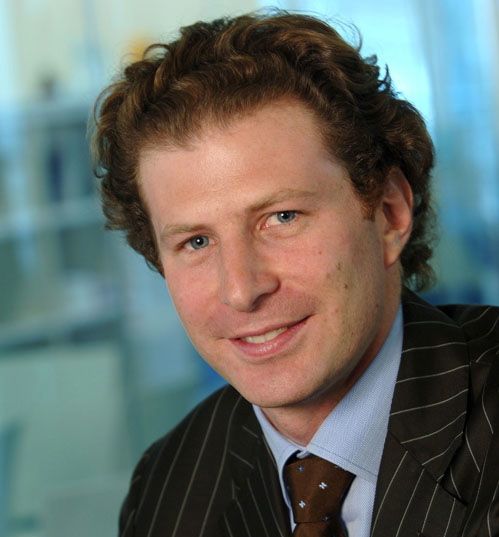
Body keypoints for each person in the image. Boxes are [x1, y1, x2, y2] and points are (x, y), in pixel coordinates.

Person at [92, 10, 499, 537]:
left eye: (282, 217)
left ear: (390, 213)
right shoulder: (166, 487)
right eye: (196, 241)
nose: (242, 290)